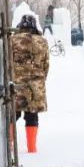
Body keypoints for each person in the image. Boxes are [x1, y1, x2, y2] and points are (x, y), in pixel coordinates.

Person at [11, 14, 49, 153]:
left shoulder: (12, 40)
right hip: (35, 86)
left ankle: (9, 147)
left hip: (15, 84)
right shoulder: (42, 42)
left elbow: (6, 62)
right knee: (32, 116)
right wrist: (40, 80)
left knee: (12, 115)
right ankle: (32, 149)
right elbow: (46, 65)